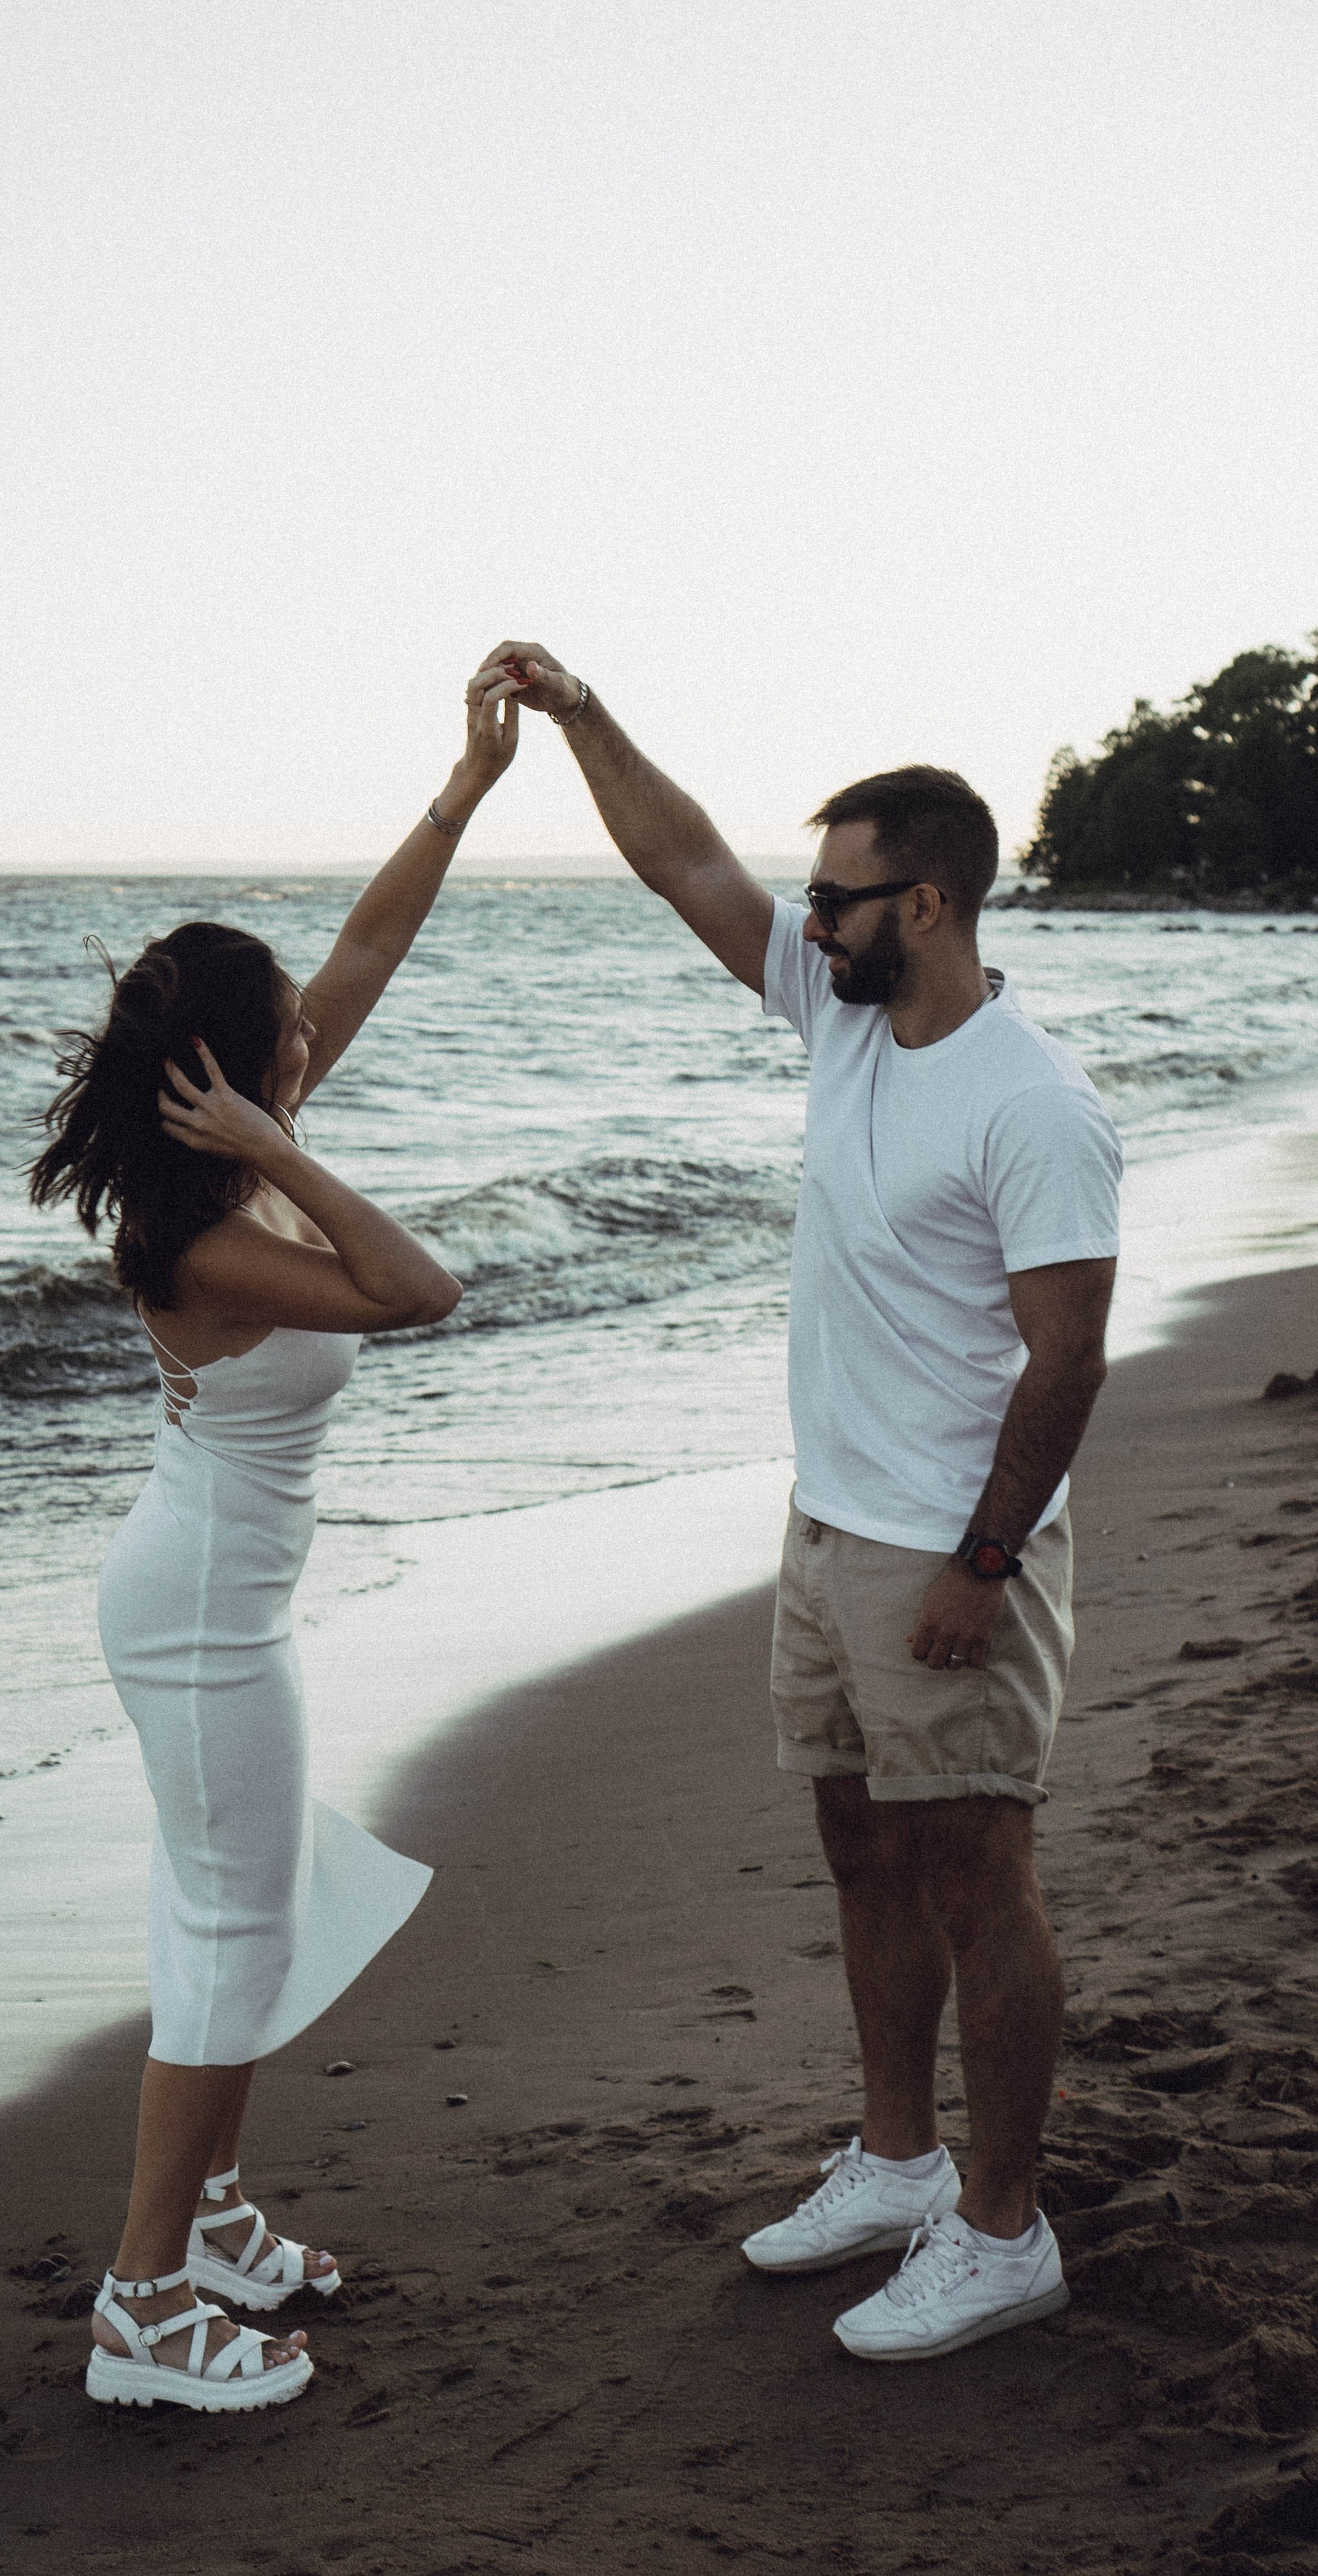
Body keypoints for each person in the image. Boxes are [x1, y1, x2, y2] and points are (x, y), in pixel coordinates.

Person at [494, 642, 1121, 2361]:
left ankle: (1003, 2232)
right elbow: (680, 861)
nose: (805, 921)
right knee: (859, 1846)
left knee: (975, 1863)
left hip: (948, 1541)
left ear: (919, 904)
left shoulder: (1033, 1104)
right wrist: (579, 719)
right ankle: (901, 2164)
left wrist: (983, 1564)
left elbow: (1064, 1362)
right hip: (828, 1521)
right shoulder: (843, 1020)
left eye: (836, 900)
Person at [28, 663, 519, 2411]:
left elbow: (370, 950)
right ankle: (142, 2310)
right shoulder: (208, 1230)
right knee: (234, 1928)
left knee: (230, 1906)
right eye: (290, 1034)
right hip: (201, 1616)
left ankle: (212, 2214)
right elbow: (423, 1289)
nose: (327, 1022)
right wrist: (284, 1151)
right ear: (233, 1080)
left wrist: (463, 788)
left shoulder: (237, 1146)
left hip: (209, 1590)